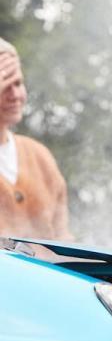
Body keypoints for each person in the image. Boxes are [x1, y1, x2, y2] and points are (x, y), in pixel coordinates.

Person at [0, 38, 71, 240]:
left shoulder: (40, 158)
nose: (14, 95)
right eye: (4, 85)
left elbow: (63, 239)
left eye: (18, 83)